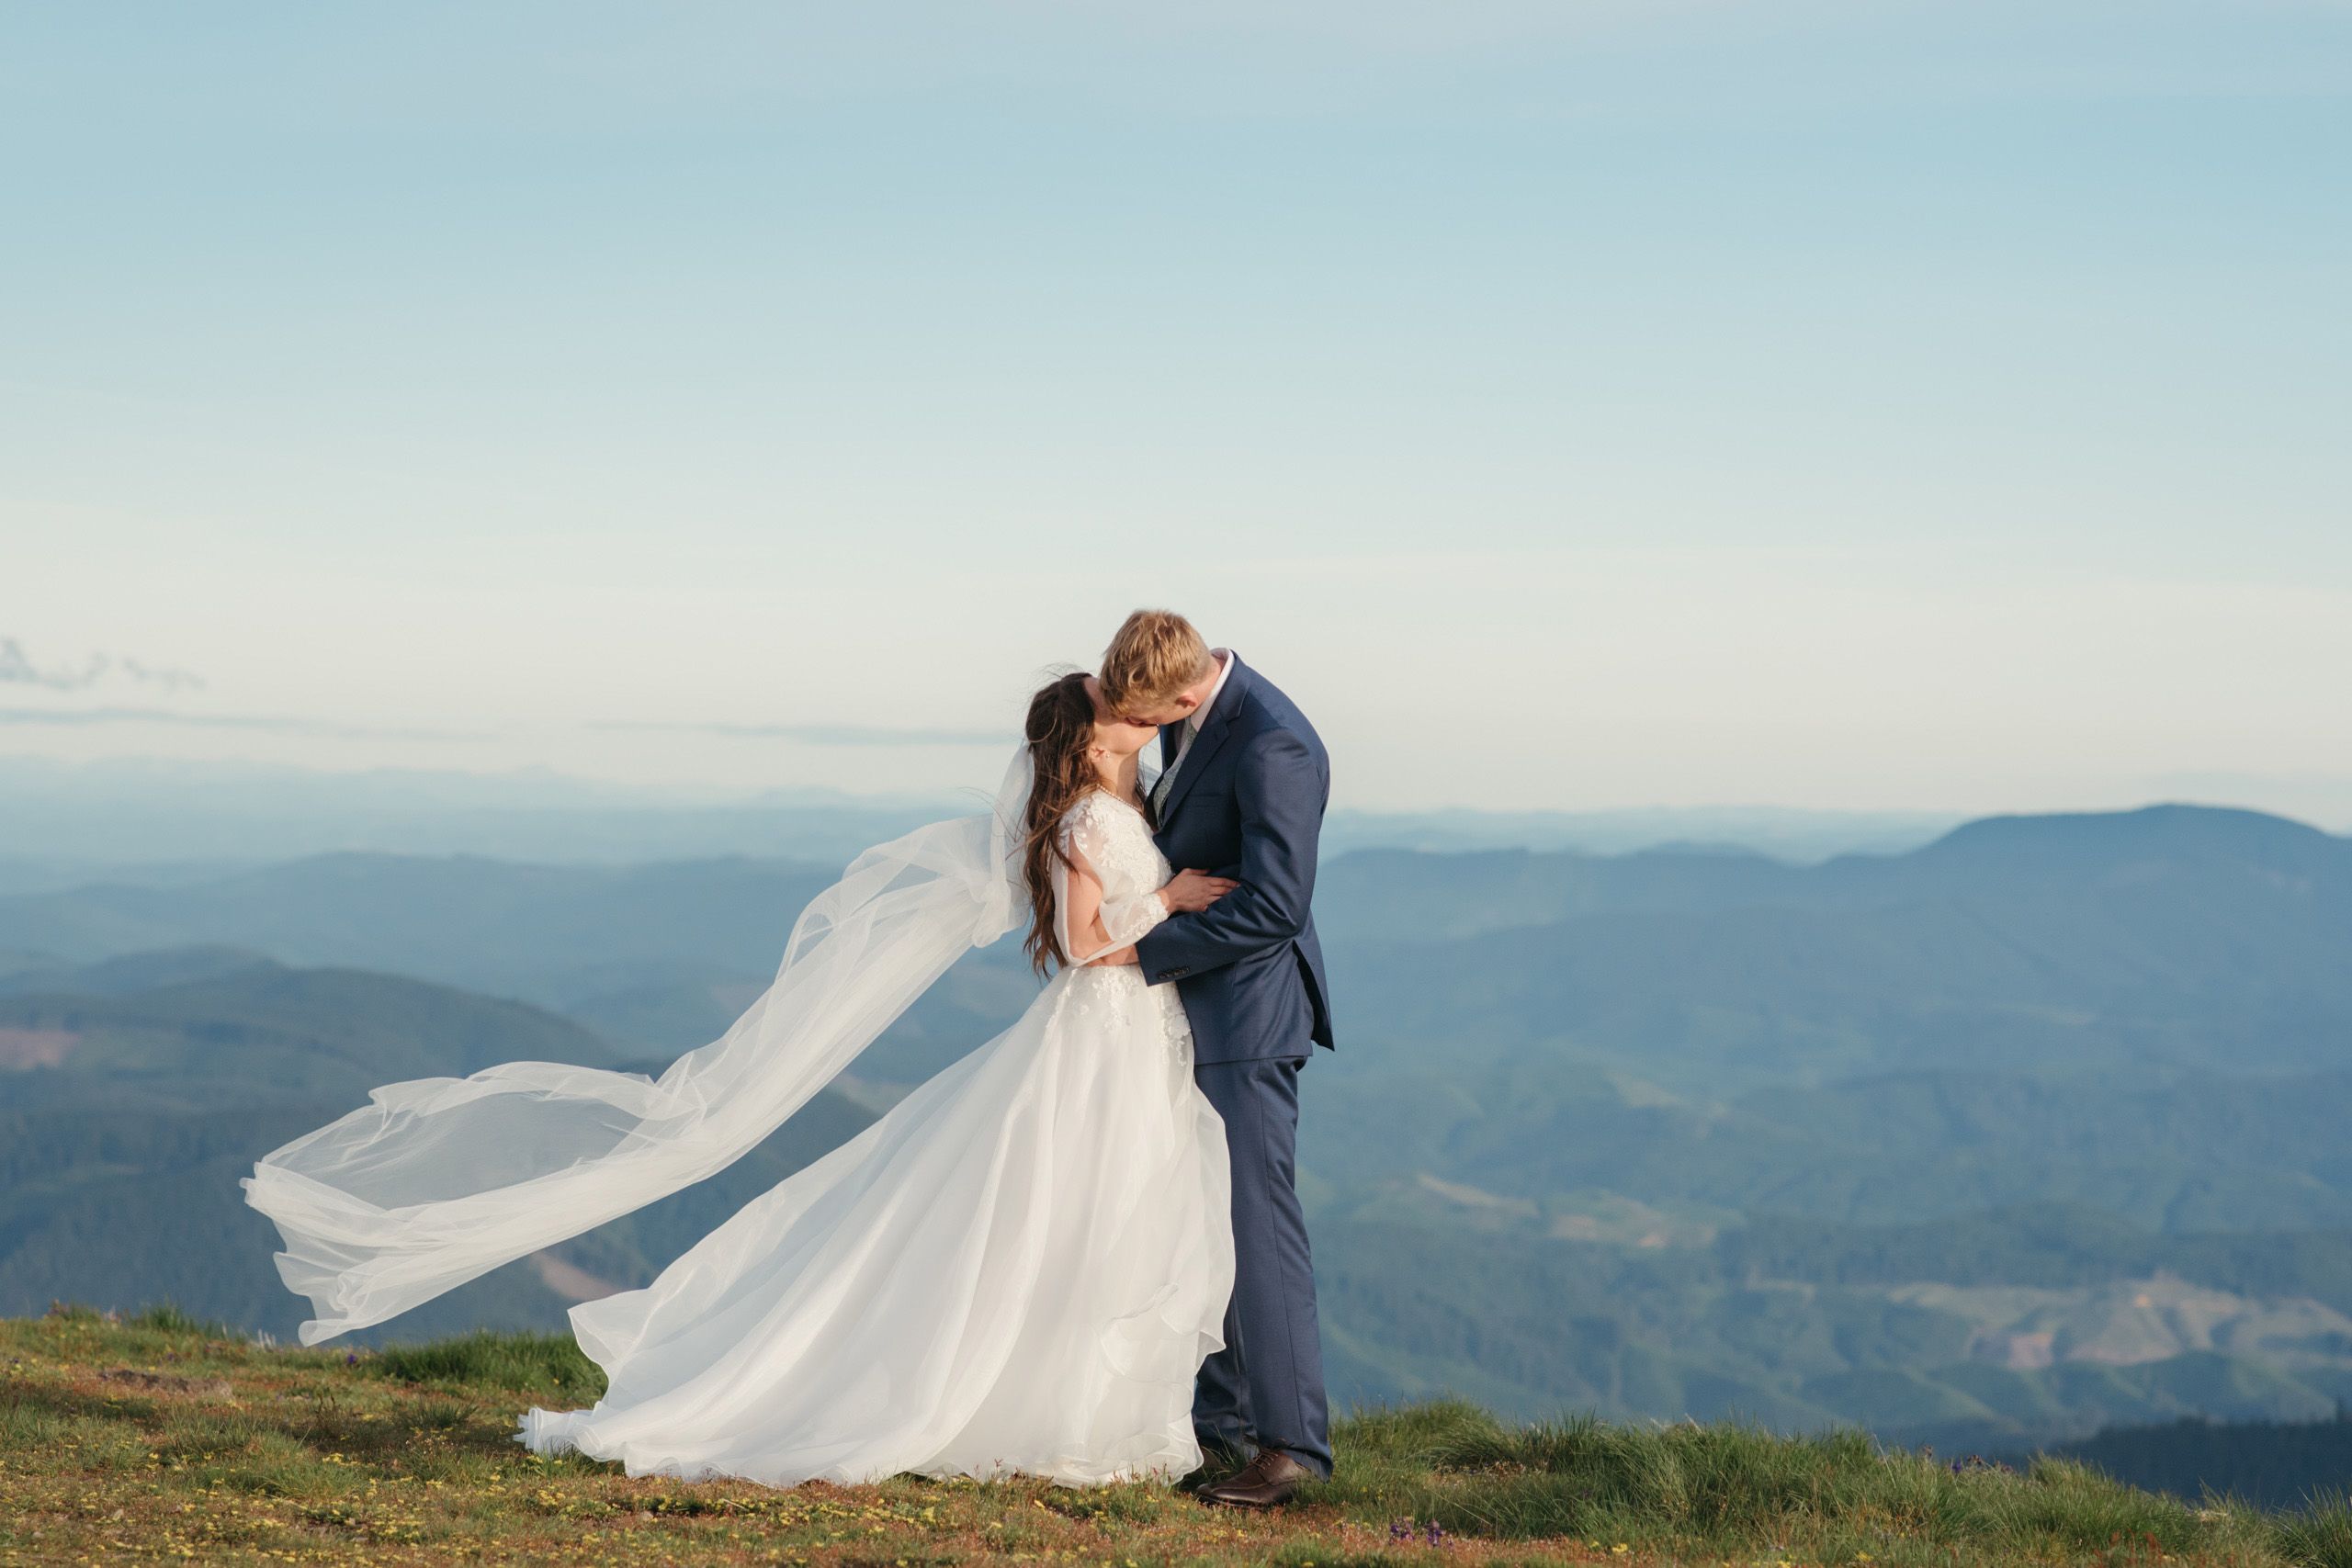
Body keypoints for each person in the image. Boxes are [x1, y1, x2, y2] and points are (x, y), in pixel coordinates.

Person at [243, 671, 1259, 1489]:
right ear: (1086, 742)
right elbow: (1085, 947)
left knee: (1099, 1214)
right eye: (1111, 712)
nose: (1132, 714)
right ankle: (1036, 1408)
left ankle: (1090, 1409)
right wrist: (1166, 898)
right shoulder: (1086, 817)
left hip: (1128, 1036)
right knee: (1057, 1213)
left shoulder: (1117, 796)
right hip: (1097, 1028)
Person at [1092, 609, 1337, 1509]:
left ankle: (1291, 1449)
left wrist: (1146, 947)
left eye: (1152, 720)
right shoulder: (1200, 710)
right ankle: (1222, 1421)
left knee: (1255, 1226)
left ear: (1188, 690)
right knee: (1203, 1214)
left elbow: (1275, 905)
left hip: (1247, 1015)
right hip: (1197, 1011)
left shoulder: (1275, 745)